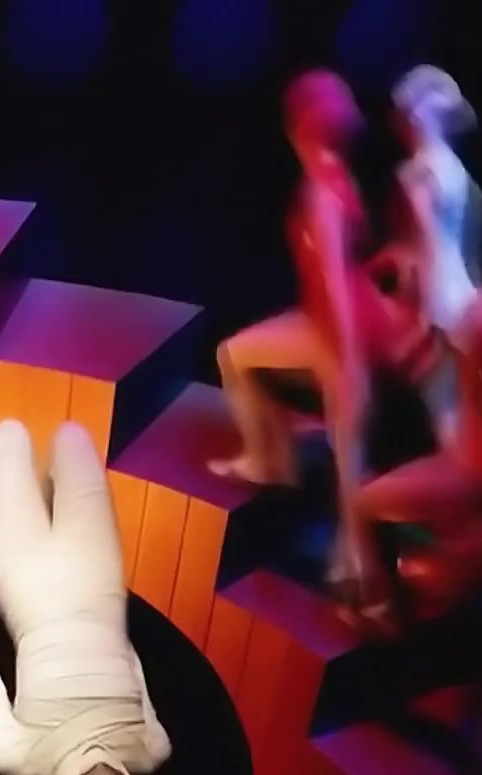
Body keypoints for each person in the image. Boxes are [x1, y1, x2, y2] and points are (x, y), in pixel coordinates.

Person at [208, 70, 397, 608]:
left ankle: (365, 578)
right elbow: (355, 260)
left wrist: (349, 357)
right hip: (328, 322)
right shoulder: (341, 179)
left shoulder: (322, 193)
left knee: (349, 458)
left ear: (298, 130)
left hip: (336, 331)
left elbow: (336, 280)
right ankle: (273, 459)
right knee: (238, 356)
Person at [0, 420, 170, 775]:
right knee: (72, 438)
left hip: (28, 589)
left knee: (9, 439)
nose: (98, 762)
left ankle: (41, 493)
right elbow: (135, 670)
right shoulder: (150, 749)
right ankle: (46, 491)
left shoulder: (23, 759)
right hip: (94, 582)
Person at [348, 66, 482, 624]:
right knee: (458, 436)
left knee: (459, 443)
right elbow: (444, 253)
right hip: (460, 308)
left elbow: (430, 254)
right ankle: (454, 558)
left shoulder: (427, 174)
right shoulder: (448, 173)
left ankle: (452, 563)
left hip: (447, 313)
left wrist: (421, 318)